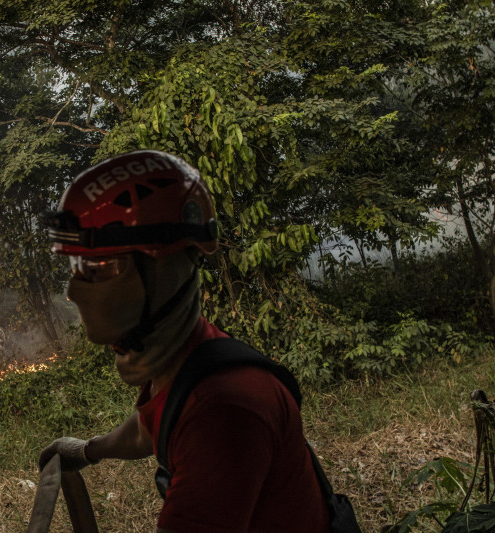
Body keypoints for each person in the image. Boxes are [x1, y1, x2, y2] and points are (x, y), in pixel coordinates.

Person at [37, 150, 329, 533]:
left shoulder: (223, 412)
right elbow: (149, 429)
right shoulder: (189, 358)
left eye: (98, 267)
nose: (74, 292)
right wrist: (88, 450)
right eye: (75, 267)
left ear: (163, 271)